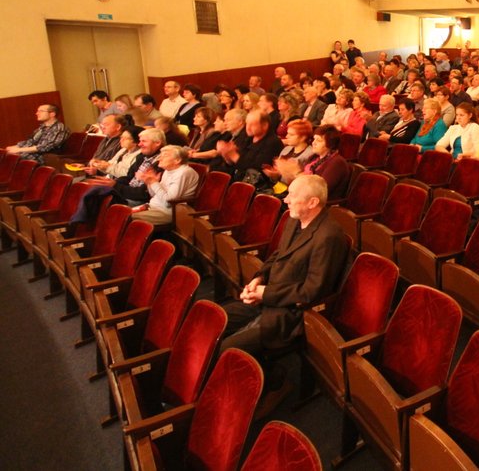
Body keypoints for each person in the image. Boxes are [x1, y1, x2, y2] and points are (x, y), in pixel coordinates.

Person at [221, 174, 349, 415]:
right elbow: (278, 255)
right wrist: (259, 278)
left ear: (312, 202)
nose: (286, 200)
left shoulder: (329, 236)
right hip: (268, 296)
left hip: (291, 313)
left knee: (230, 348)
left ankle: (274, 383)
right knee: (217, 321)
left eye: (292, 195)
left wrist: (266, 293)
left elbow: (313, 291)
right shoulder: (294, 219)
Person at [274, 125, 350, 200]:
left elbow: (319, 190)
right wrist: (286, 172)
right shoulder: (315, 157)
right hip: (302, 197)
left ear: (330, 144)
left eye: (319, 140)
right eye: (314, 139)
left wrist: (296, 172)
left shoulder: (337, 163)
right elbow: (299, 182)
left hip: (318, 203)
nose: (313, 143)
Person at [130, 145, 200, 226]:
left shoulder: (183, 173)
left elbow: (168, 202)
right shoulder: (168, 170)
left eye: (165, 156)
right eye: (160, 155)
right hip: (152, 207)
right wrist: (149, 182)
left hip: (167, 212)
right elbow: (153, 195)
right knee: (120, 213)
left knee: (125, 218)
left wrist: (153, 182)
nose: (159, 158)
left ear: (177, 160)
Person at [4, 104, 70, 163]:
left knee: (13, 157)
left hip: (46, 157)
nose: (37, 113)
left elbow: (44, 147)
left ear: (52, 114)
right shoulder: (42, 127)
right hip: (35, 153)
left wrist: (18, 150)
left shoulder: (59, 128)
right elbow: (31, 141)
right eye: (37, 111)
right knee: (6, 154)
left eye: (41, 111)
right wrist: (16, 147)